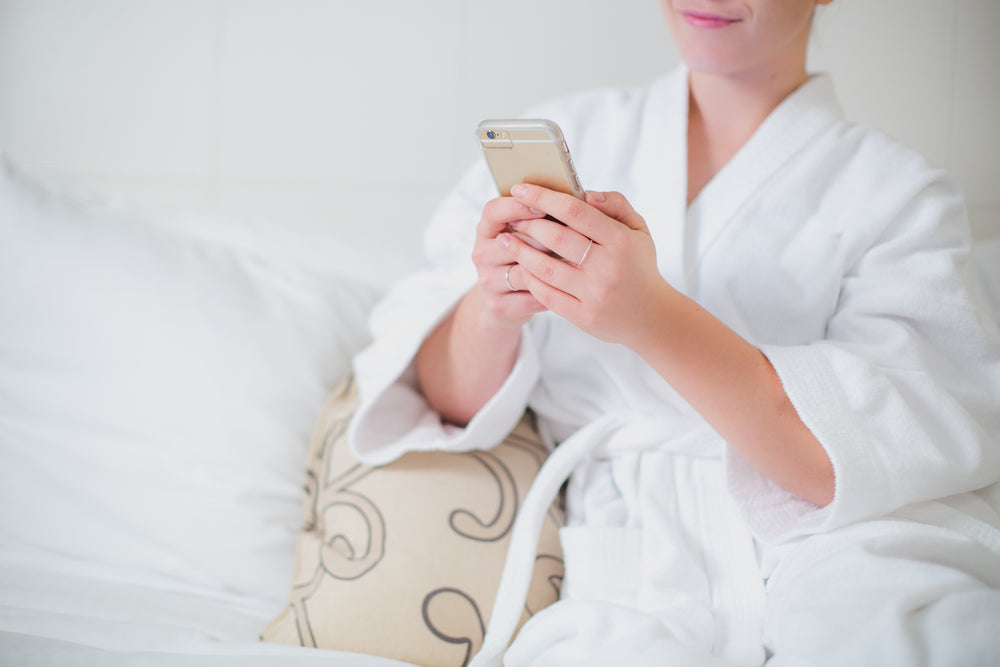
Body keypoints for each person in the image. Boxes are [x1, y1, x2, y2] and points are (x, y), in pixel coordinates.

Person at [348, 0, 1000, 665]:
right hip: (630, 562)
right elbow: (445, 399)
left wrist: (650, 317)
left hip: (836, 548)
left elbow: (857, 457)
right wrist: (495, 306)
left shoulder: (901, 195)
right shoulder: (578, 132)